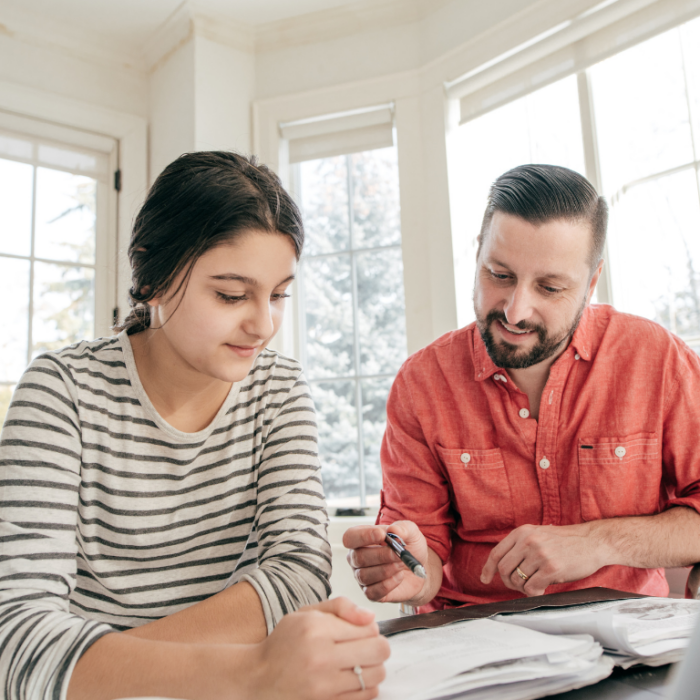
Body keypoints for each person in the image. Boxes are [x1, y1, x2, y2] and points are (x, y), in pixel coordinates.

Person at [0, 151, 389, 700]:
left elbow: (299, 573)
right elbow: (17, 638)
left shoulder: (278, 390)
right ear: (153, 276)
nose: (263, 324)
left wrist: (106, 667)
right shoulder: (60, 391)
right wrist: (248, 672)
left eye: (278, 295)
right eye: (231, 295)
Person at [344, 164, 700, 614]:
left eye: (550, 287)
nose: (515, 311)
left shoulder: (658, 359)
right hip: (471, 646)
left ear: (591, 284)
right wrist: (405, 570)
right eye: (499, 275)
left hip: (626, 645)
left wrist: (597, 542)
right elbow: (423, 560)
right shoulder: (422, 384)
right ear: (477, 254)